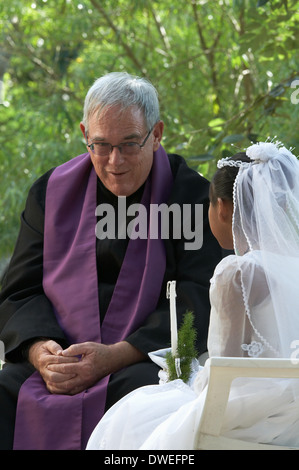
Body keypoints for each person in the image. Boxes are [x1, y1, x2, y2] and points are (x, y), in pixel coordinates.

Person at [0, 72, 222, 450]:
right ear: (85, 133)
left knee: (142, 400)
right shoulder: (50, 193)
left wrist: (116, 356)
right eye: (100, 145)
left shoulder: (191, 197)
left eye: (130, 144)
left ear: (156, 134)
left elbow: (201, 295)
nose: (114, 161)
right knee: (6, 391)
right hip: (58, 357)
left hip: (142, 359)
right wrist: (41, 352)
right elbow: (19, 289)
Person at [86, 140, 299, 450]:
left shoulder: (236, 273)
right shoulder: (292, 267)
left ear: (222, 208)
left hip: (243, 415)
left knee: (132, 415)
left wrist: (185, 378)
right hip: (290, 411)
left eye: (209, 205)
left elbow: (222, 371)